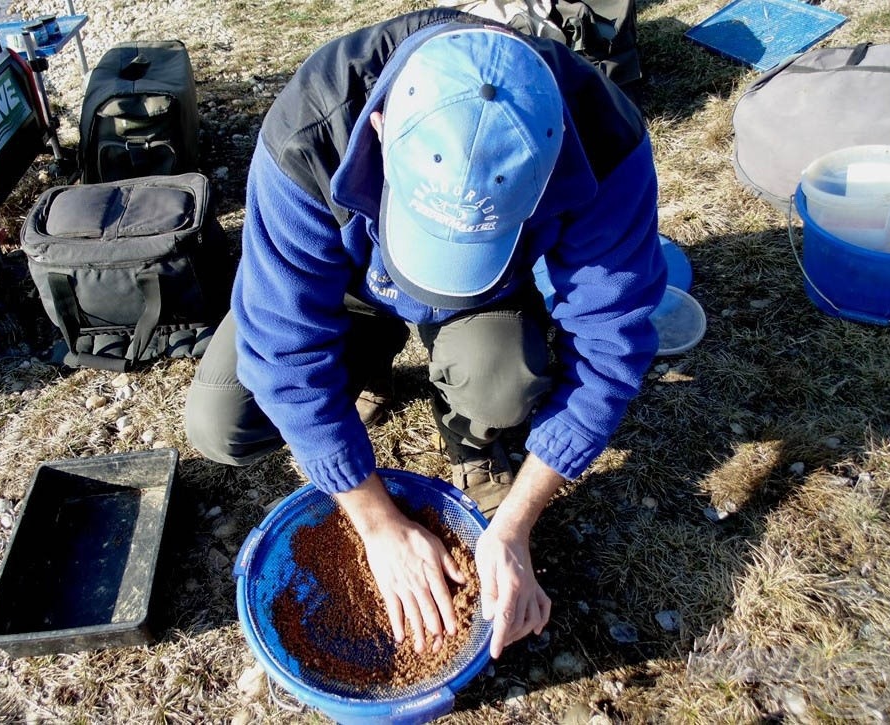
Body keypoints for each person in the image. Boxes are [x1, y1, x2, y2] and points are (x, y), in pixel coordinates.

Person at [185, 8, 666, 660]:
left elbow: (611, 346)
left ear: (551, 170)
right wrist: (376, 522)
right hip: (351, 285)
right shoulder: (311, 127)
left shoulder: (605, 137)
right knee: (223, 419)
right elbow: (281, 348)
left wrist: (516, 526)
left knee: (505, 379)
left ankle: (480, 422)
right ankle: (369, 352)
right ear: (379, 131)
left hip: (487, 293)